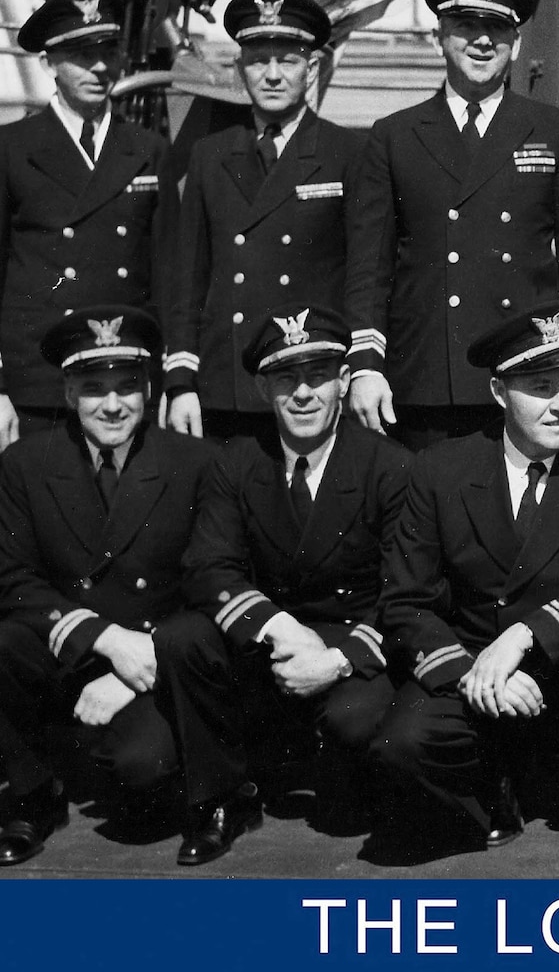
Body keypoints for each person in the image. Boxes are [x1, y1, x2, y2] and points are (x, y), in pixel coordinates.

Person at [370, 300, 559, 878]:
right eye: (539, 387)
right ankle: (489, 788)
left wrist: (528, 636)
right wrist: (475, 674)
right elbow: (406, 600)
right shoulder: (440, 470)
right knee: (400, 746)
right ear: (499, 393)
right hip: (481, 669)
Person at [0, 307, 215, 866]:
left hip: (151, 654)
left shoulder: (192, 462)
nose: (113, 405)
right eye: (94, 389)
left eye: (127, 387)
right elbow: (12, 580)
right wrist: (102, 639)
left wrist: (140, 665)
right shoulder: (28, 463)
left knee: (142, 770)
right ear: (69, 392)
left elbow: (211, 585)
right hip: (73, 648)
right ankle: (34, 794)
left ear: (148, 390)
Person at [156, 305, 411, 865]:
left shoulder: (388, 466)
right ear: (260, 386)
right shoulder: (239, 461)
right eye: (285, 378)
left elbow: (408, 592)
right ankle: (223, 799)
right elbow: (208, 566)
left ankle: (348, 780)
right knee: (181, 638)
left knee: (356, 722)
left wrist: (340, 660)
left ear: (344, 381)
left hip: (352, 637)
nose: (303, 394)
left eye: (318, 375)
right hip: (272, 635)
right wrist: (278, 627)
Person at [0, 0, 177, 558]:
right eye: (81, 55)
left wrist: (169, 381)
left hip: (119, 389)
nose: (101, 67)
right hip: (34, 387)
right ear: (50, 62)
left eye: (108, 50)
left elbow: (168, 277)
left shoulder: (148, 149)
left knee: (119, 550)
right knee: (24, 552)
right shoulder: (5, 149)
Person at [345, 0, 559, 449]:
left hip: (525, 372)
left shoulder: (553, 132)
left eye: (497, 29)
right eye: (466, 27)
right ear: (440, 36)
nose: (482, 42)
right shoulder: (395, 136)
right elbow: (369, 271)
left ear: (516, 43)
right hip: (423, 375)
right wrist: (365, 366)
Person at [163, 0, 366, 443]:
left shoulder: (347, 153)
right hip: (226, 385)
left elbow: (363, 278)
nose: (272, 75)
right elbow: (188, 280)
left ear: (311, 69)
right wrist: (180, 382)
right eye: (257, 61)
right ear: (240, 69)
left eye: (288, 61)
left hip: (308, 383)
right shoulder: (210, 155)